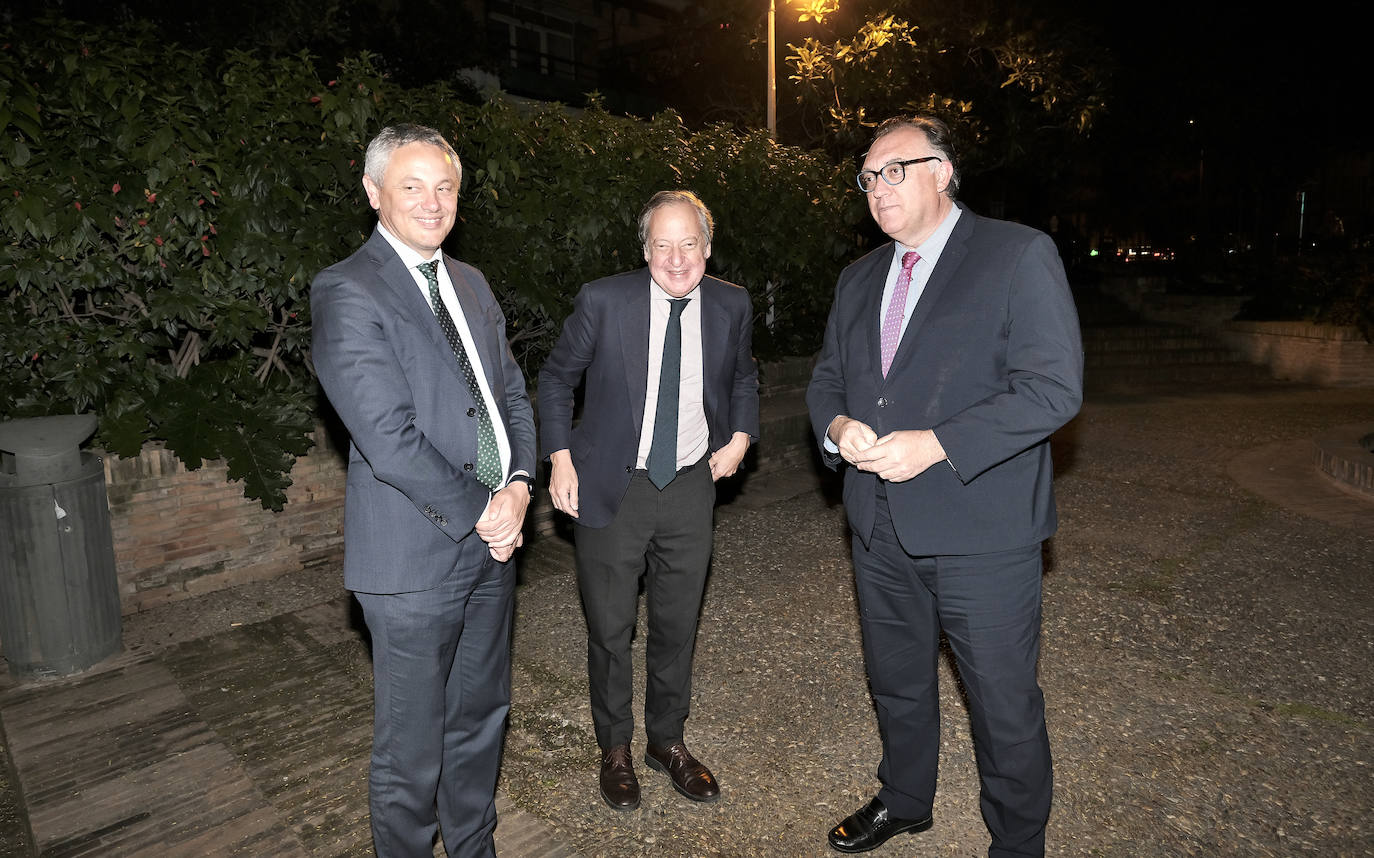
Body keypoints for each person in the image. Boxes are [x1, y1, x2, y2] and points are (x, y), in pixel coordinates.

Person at [806, 116, 1083, 857]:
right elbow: (829, 378)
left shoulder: (1017, 254)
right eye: (868, 175)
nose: (877, 187)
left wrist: (937, 444)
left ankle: (1018, 843)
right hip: (879, 526)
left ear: (943, 171)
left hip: (982, 532)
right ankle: (904, 800)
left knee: (1001, 704)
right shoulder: (859, 277)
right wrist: (836, 428)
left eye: (894, 169)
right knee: (895, 682)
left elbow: (1053, 389)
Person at [311, 124, 536, 858]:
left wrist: (523, 485)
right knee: (410, 754)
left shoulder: (470, 282)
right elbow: (388, 438)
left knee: (479, 723)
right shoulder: (347, 289)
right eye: (411, 186)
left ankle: (475, 847)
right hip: (413, 562)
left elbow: (511, 395)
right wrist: (487, 511)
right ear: (374, 194)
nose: (432, 202)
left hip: (492, 546)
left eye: (444, 186)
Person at [537, 190, 759, 811]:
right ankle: (615, 747)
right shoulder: (605, 301)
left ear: (707, 248)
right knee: (610, 629)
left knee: (676, 625)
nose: (677, 257)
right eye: (662, 244)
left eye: (689, 243)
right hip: (614, 485)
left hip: (691, 484)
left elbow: (743, 374)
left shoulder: (731, 303)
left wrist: (741, 435)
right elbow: (556, 378)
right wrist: (560, 457)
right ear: (645, 250)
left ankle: (667, 741)